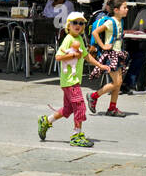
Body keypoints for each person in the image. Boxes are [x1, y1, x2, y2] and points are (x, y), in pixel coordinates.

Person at [38, 13, 108, 148]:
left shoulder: (79, 39)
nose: (78, 26)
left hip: (72, 80)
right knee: (80, 106)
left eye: (81, 23)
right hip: (70, 80)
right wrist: (73, 54)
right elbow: (58, 56)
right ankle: (76, 135)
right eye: (75, 22)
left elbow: (87, 56)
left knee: (68, 108)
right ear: (68, 25)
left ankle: (46, 121)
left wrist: (100, 65)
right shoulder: (69, 39)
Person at [89, 0, 131, 116]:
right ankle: (93, 96)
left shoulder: (120, 21)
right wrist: (102, 46)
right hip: (111, 55)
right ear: (116, 10)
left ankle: (112, 108)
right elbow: (95, 32)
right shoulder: (110, 22)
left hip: (118, 54)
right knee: (117, 82)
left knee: (118, 82)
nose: (127, 9)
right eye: (125, 7)